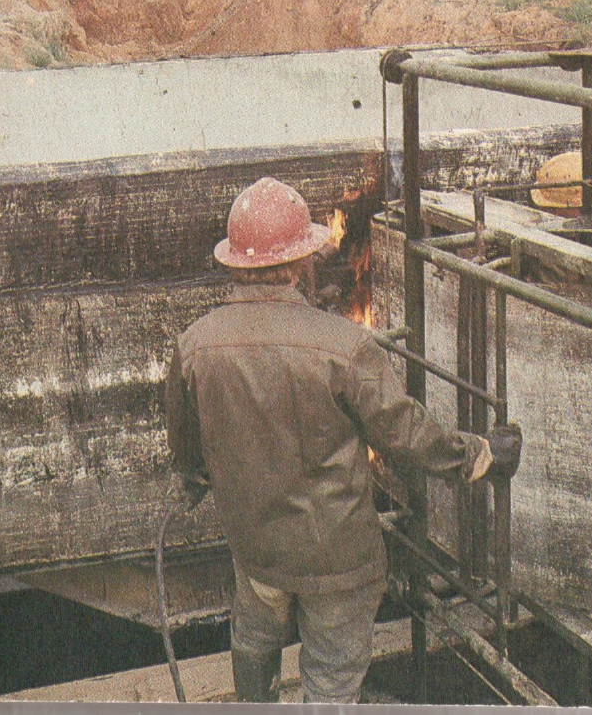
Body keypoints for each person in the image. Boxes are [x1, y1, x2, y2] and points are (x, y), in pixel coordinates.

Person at [166, 176, 502, 704]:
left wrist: (191, 482)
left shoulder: (194, 345)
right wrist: (476, 453)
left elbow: (187, 451)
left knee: (254, 637)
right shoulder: (345, 346)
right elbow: (404, 433)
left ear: (234, 264)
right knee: (332, 675)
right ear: (302, 263)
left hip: (255, 548)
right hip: (337, 556)